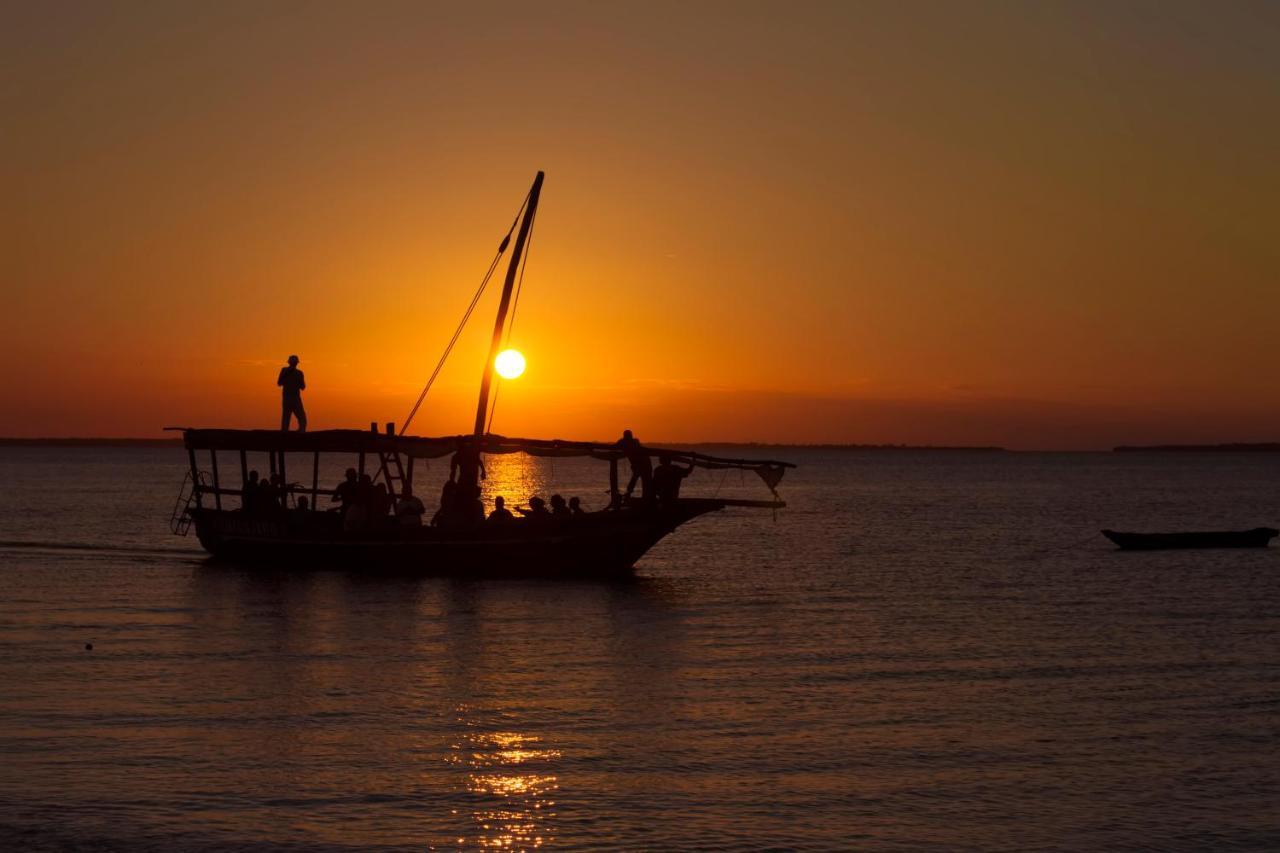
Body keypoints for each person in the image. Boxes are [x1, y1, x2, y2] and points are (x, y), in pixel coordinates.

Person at [615, 429, 652, 499]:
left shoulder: (632, 442)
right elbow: (615, 446)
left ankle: (645, 496)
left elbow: (614, 446)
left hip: (644, 463)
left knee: (643, 480)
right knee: (638, 478)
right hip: (640, 464)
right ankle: (630, 493)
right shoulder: (629, 441)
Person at [278, 355, 307, 432]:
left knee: (286, 417)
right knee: (302, 417)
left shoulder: (284, 370)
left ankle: (284, 432)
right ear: (297, 363)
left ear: (289, 362)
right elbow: (303, 387)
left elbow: (279, 383)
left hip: (287, 398)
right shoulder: (299, 373)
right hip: (295, 399)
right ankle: (301, 432)